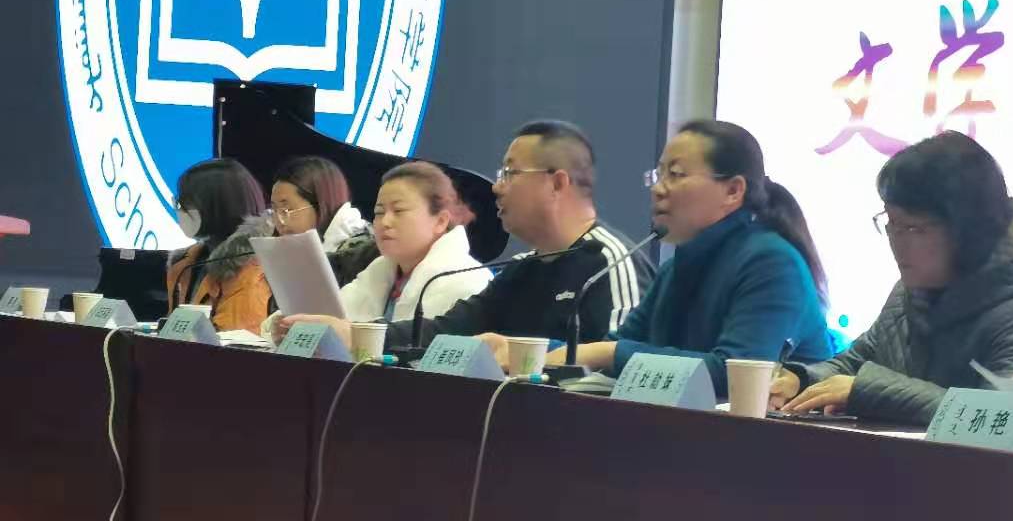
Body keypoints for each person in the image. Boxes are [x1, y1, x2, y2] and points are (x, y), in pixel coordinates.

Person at [770, 131, 1013, 424]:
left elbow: (1010, 416)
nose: (897, 241)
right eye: (891, 223)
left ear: (967, 230)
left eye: (913, 228)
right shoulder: (913, 289)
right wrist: (801, 380)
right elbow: (857, 361)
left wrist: (871, 392)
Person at [554, 119, 833, 396]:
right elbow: (619, 347)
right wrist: (549, 352)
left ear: (733, 191)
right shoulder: (675, 268)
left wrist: (609, 353)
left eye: (675, 175)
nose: (657, 189)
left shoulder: (772, 263)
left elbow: (736, 374)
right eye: (659, 175)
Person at [402, 120, 653, 359]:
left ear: (557, 183)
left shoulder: (610, 263)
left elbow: (614, 367)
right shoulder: (520, 269)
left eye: (509, 173)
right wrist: (378, 332)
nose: (496, 187)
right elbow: (444, 332)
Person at [273, 161, 490, 342]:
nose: (385, 222)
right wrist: (291, 324)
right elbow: (333, 318)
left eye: (399, 210)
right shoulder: (380, 271)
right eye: (378, 212)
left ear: (441, 221)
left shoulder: (468, 281)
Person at [165, 158, 272, 333]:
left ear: (215, 207)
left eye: (184, 203)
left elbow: (236, 343)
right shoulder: (186, 264)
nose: (180, 210)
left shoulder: (252, 273)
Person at [269, 155, 377, 285]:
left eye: (287, 210)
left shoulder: (359, 253)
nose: (280, 222)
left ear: (321, 205)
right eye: (274, 210)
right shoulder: (282, 251)